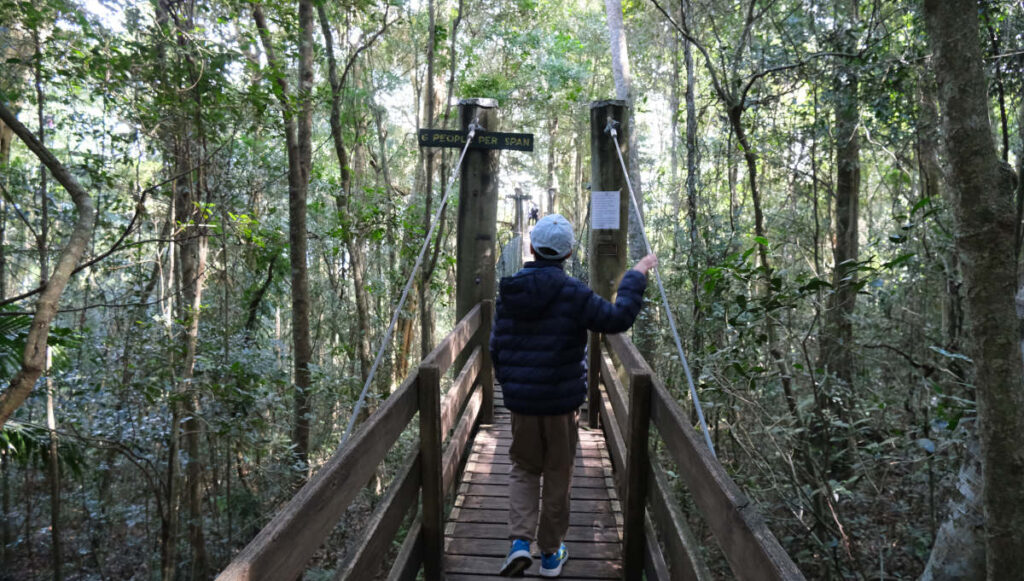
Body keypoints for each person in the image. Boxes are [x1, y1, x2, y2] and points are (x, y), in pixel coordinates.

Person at [490, 214, 656, 577]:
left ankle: (520, 543)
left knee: (522, 468)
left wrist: (511, 387)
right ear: (567, 256)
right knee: (558, 474)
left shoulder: (511, 291)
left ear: (531, 249)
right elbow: (616, 319)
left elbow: (496, 347)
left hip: (522, 405)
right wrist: (636, 275)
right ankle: (550, 555)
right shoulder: (574, 293)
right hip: (562, 404)